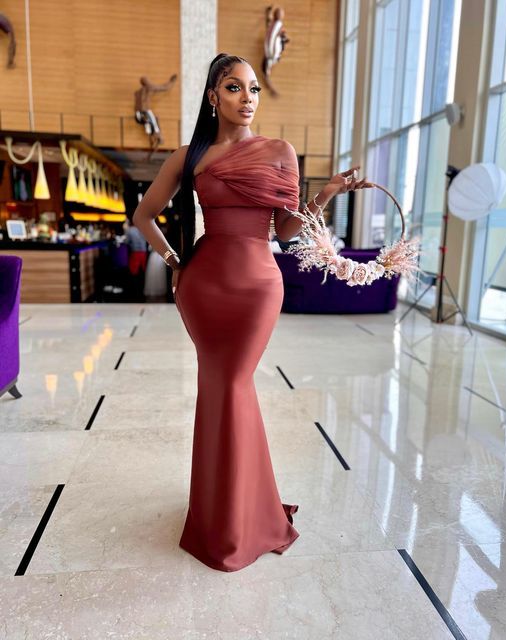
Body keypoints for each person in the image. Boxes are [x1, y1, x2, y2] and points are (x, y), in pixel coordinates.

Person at [132, 53, 371, 572]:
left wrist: (327, 193)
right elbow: (144, 215)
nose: (247, 98)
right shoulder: (190, 156)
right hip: (204, 285)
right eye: (234, 87)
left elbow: (284, 230)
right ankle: (224, 512)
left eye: (254, 88)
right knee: (218, 388)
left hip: (259, 285)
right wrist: (175, 261)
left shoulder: (280, 151)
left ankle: (236, 516)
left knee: (233, 384)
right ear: (213, 97)